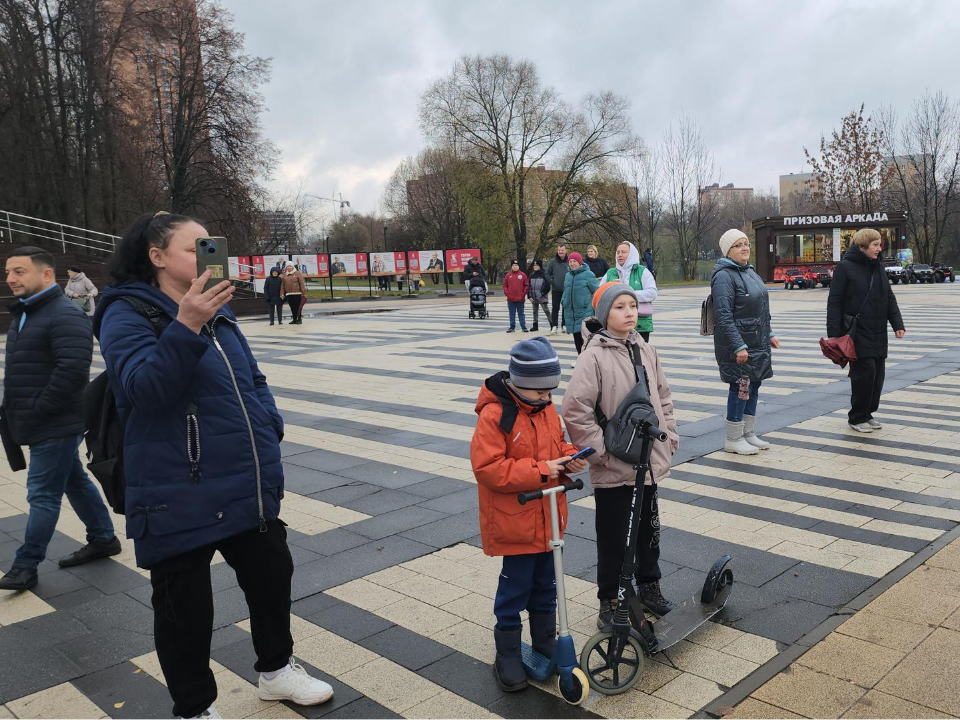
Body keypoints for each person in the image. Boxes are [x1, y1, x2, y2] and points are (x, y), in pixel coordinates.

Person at [95, 212, 333, 720]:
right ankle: (194, 708)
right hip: (175, 485)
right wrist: (186, 324)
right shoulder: (126, 313)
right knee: (185, 607)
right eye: (195, 246)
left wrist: (270, 422)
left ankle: (276, 671)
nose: (210, 253)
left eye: (211, 244)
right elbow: (142, 389)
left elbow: (252, 377)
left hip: (242, 478)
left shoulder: (216, 309)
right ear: (157, 257)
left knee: (272, 577)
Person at [0, 247, 120, 592]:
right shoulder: (26, 313)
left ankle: (26, 564)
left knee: (41, 493)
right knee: (74, 481)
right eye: (9, 271)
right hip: (38, 419)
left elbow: (71, 372)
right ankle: (103, 538)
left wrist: (37, 409)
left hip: (55, 421)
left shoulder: (65, 315)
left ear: (47, 274)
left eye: (20, 271)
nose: (11, 278)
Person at [470, 336, 587, 692]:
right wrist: (542, 469)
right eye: (540, 393)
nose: (547, 398)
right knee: (514, 588)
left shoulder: (546, 409)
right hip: (516, 521)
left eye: (551, 391)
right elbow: (488, 468)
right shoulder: (496, 415)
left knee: (546, 585)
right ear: (519, 384)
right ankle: (506, 652)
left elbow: (557, 444)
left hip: (549, 518)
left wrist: (570, 458)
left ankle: (544, 641)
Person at [562, 282, 679, 625]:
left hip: (649, 461)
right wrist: (600, 453)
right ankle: (610, 600)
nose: (629, 312)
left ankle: (649, 585)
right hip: (614, 466)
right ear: (604, 314)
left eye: (632, 305)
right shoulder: (593, 355)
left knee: (648, 530)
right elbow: (575, 409)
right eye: (620, 307)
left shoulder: (645, 348)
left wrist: (669, 435)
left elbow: (663, 397)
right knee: (614, 535)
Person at [827, 228, 905, 433]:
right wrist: (835, 334)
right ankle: (857, 416)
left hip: (878, 329)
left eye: (880, 244)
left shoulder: (878, 266)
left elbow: (889, 297)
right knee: (864, 373)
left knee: (878, 375)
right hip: (857, 331)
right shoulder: (844, 268)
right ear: (862, 247)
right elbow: (834, 301)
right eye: (875, 245)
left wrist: (898, 324)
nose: (880, 249)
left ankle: (868, 412)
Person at [711, 229, 781, 455]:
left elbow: (762, 308)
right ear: (728, 251)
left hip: (757, 342)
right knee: (741, 387)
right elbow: (723, 315)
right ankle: (733, 437)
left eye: (746, 243)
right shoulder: (724, 275)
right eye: (738, 245)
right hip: (740, 344)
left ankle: (748, 433)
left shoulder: (749, 271)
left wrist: (769, 333)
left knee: (755, 384)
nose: (745, 248)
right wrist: (738, 345)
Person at [605, 241, 657, 342]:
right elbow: (599, 294)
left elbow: (652, 292)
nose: (620, 255)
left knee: (639, 356)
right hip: (616, 324)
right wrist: (610, 287)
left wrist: (628, 293)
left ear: (632, 254)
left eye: (624, 252)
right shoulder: (610, 273)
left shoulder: (642, 271)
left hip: (640, 323)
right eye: (618, 252)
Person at [560, 252, 599, 363]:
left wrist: (590, 305)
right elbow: (565, 290)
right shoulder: (568, 275)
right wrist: (564, 300)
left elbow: (596, 291)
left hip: (584, 311)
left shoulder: (588, 274)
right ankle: (581, 359)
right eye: (570, 261)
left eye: (574, 261)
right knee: (576, 337)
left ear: (579, 262)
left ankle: (588, 361)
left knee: (585, 337)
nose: (572, 264)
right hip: (571, 311)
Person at [544, 242, 569, 334]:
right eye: (559, 250)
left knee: (565, 308)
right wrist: (552, 282)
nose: (560, 252)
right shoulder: (552, 262)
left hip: (566, 289)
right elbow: (547, 274)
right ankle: (554, 326)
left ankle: (564, 325)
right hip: (556, 290)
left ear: (565, 250)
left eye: (562, 250)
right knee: (555, 308)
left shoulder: (569, 261)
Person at [502, 259, 530, 333]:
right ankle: (512, 326)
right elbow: (505, 285)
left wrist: (523, 294)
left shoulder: (522, 275)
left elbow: (526, 285)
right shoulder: (508, 275)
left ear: (518, 266)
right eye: (513, 265)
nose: (514, 267)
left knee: (521, 313)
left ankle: (523, 326)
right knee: (512, 313)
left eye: (516, 265)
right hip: (511, 298)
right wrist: (507, 293)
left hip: (520, 298)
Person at [527, 259, 552, 333]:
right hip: (533, 297)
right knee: (535, 311)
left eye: (537, 265)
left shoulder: (544, 274)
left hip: (542, 296)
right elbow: (529, 286)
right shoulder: (532, 275)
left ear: (540, 266)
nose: (535, 266)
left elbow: (547, 286)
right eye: (534, 265)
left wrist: (542, 293)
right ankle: (535, 325)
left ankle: (552, 324)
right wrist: (529, 296)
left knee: (546, 310)